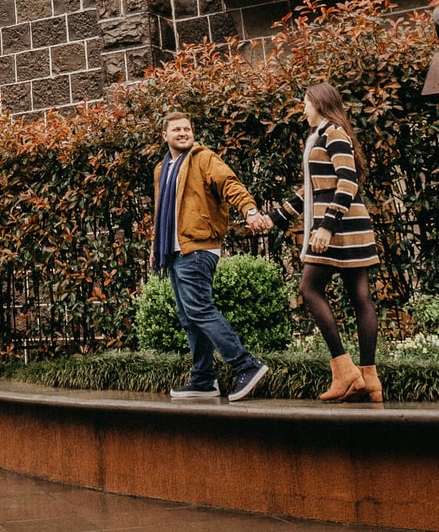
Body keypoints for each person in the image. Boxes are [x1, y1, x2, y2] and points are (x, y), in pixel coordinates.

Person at [265, 82, 382, 403]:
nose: (303, 109)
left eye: (305, 103)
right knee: (360, 296)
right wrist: (275, 217)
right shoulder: (323, 136)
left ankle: (345, 370)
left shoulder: (333, 133)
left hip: (340, 229)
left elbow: (348, 181)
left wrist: (327, 226)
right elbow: (311, 189)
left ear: (318, 103)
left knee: (309, 288)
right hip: (350, 226)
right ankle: (369, 378)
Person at [151, 110, 273, 401]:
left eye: (187, 128)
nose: (183, 133)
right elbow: (162, 213)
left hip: (199, 246)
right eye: (177, 130)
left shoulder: (203, 158)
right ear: (164, 136)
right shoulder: (162, 169)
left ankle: (246, 365)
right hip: (173, 250)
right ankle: (204, 379)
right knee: (188, 316)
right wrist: (155, 248)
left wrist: (250, 210)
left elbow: (229, 183)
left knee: (199, 309)